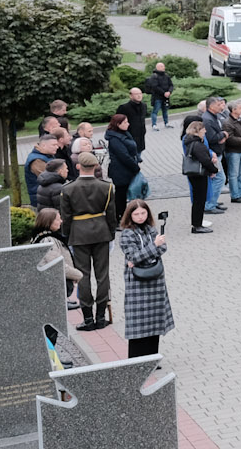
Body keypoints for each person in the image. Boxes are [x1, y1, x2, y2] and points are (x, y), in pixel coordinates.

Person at [59, 154, 117, 331]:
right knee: (103, 275)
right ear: (95, 166)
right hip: (101, 233)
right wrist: (111, 234)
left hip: (78, 235)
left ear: (78, 167)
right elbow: (112, 215)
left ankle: (88, 319)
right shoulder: (106, 187)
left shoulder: (68, 189)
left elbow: (66, 217)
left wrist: (66, 237)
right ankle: (101, 317)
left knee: (82, 275)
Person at [116, 199, 175, 358]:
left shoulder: (151, 229)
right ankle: (136, 359)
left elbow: (162, 247)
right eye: (136, 214)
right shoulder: (127, 233)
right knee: (138, 324)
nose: (140, 216)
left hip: (155, 281)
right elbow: (133, 255)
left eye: (143, 213)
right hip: (138, 285)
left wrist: (146, 253)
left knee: (154, 321)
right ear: (130, 215)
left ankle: (152, 357)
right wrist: (152, 248)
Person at [180, 120, 217, 235]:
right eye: (203, 129)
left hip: (194, 174)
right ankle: (197, 225)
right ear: (198, 130)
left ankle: (197, 224)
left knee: (198, 200)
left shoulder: (190, 141)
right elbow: (205, 160)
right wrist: (214, 169)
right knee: (199, 201)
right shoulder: (197, 144)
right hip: (199, 175)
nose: (205, 131)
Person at [104, 111, 142, 220]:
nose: (128, 124)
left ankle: (123, 216)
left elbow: (132, 149)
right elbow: (123, 155)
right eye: (125, 122)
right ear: (118, 124)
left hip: (127, 169)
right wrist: (135, 167)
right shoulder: (114, 139)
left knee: (124, 194)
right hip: (120, 171)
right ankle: (118, 217)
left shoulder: (124, 134)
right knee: (120, 195)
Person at [142, 60, 175, 128]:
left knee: (165, 110)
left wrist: (169, 92)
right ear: (158, 67)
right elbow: (155, 87)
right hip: (157, 97)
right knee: (155, 110)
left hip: (166, 97)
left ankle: (166, 123)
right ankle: (154, 124)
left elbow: (171, 85)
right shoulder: (154, 76)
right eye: (162, 66)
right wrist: (164, 93)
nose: (164, 67)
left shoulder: (166, 76)